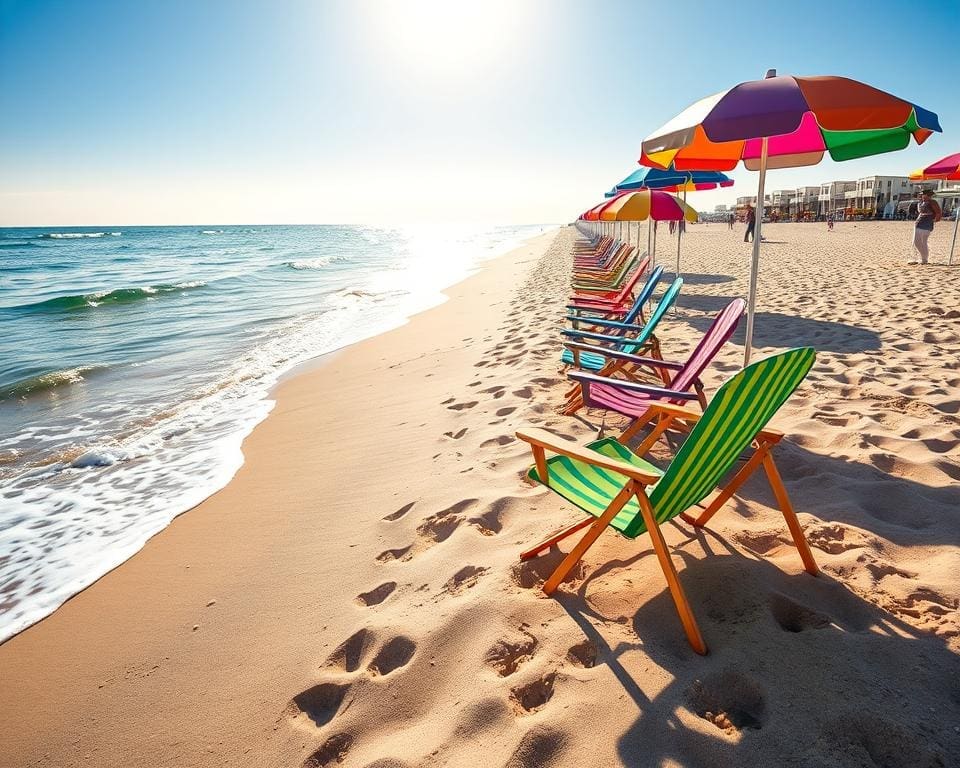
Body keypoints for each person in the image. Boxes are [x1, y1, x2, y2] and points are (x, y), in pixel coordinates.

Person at [911, 189, 942, 264]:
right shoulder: (921, 202)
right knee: (916, 242)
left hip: (927, 222)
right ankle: (921, 257)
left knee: (923, 241)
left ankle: (924, 259)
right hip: (919, 222)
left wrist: (934, 220)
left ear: (928, 195)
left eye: (923, 194)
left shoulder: (932, 202)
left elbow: (938, 212)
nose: (921, 196)